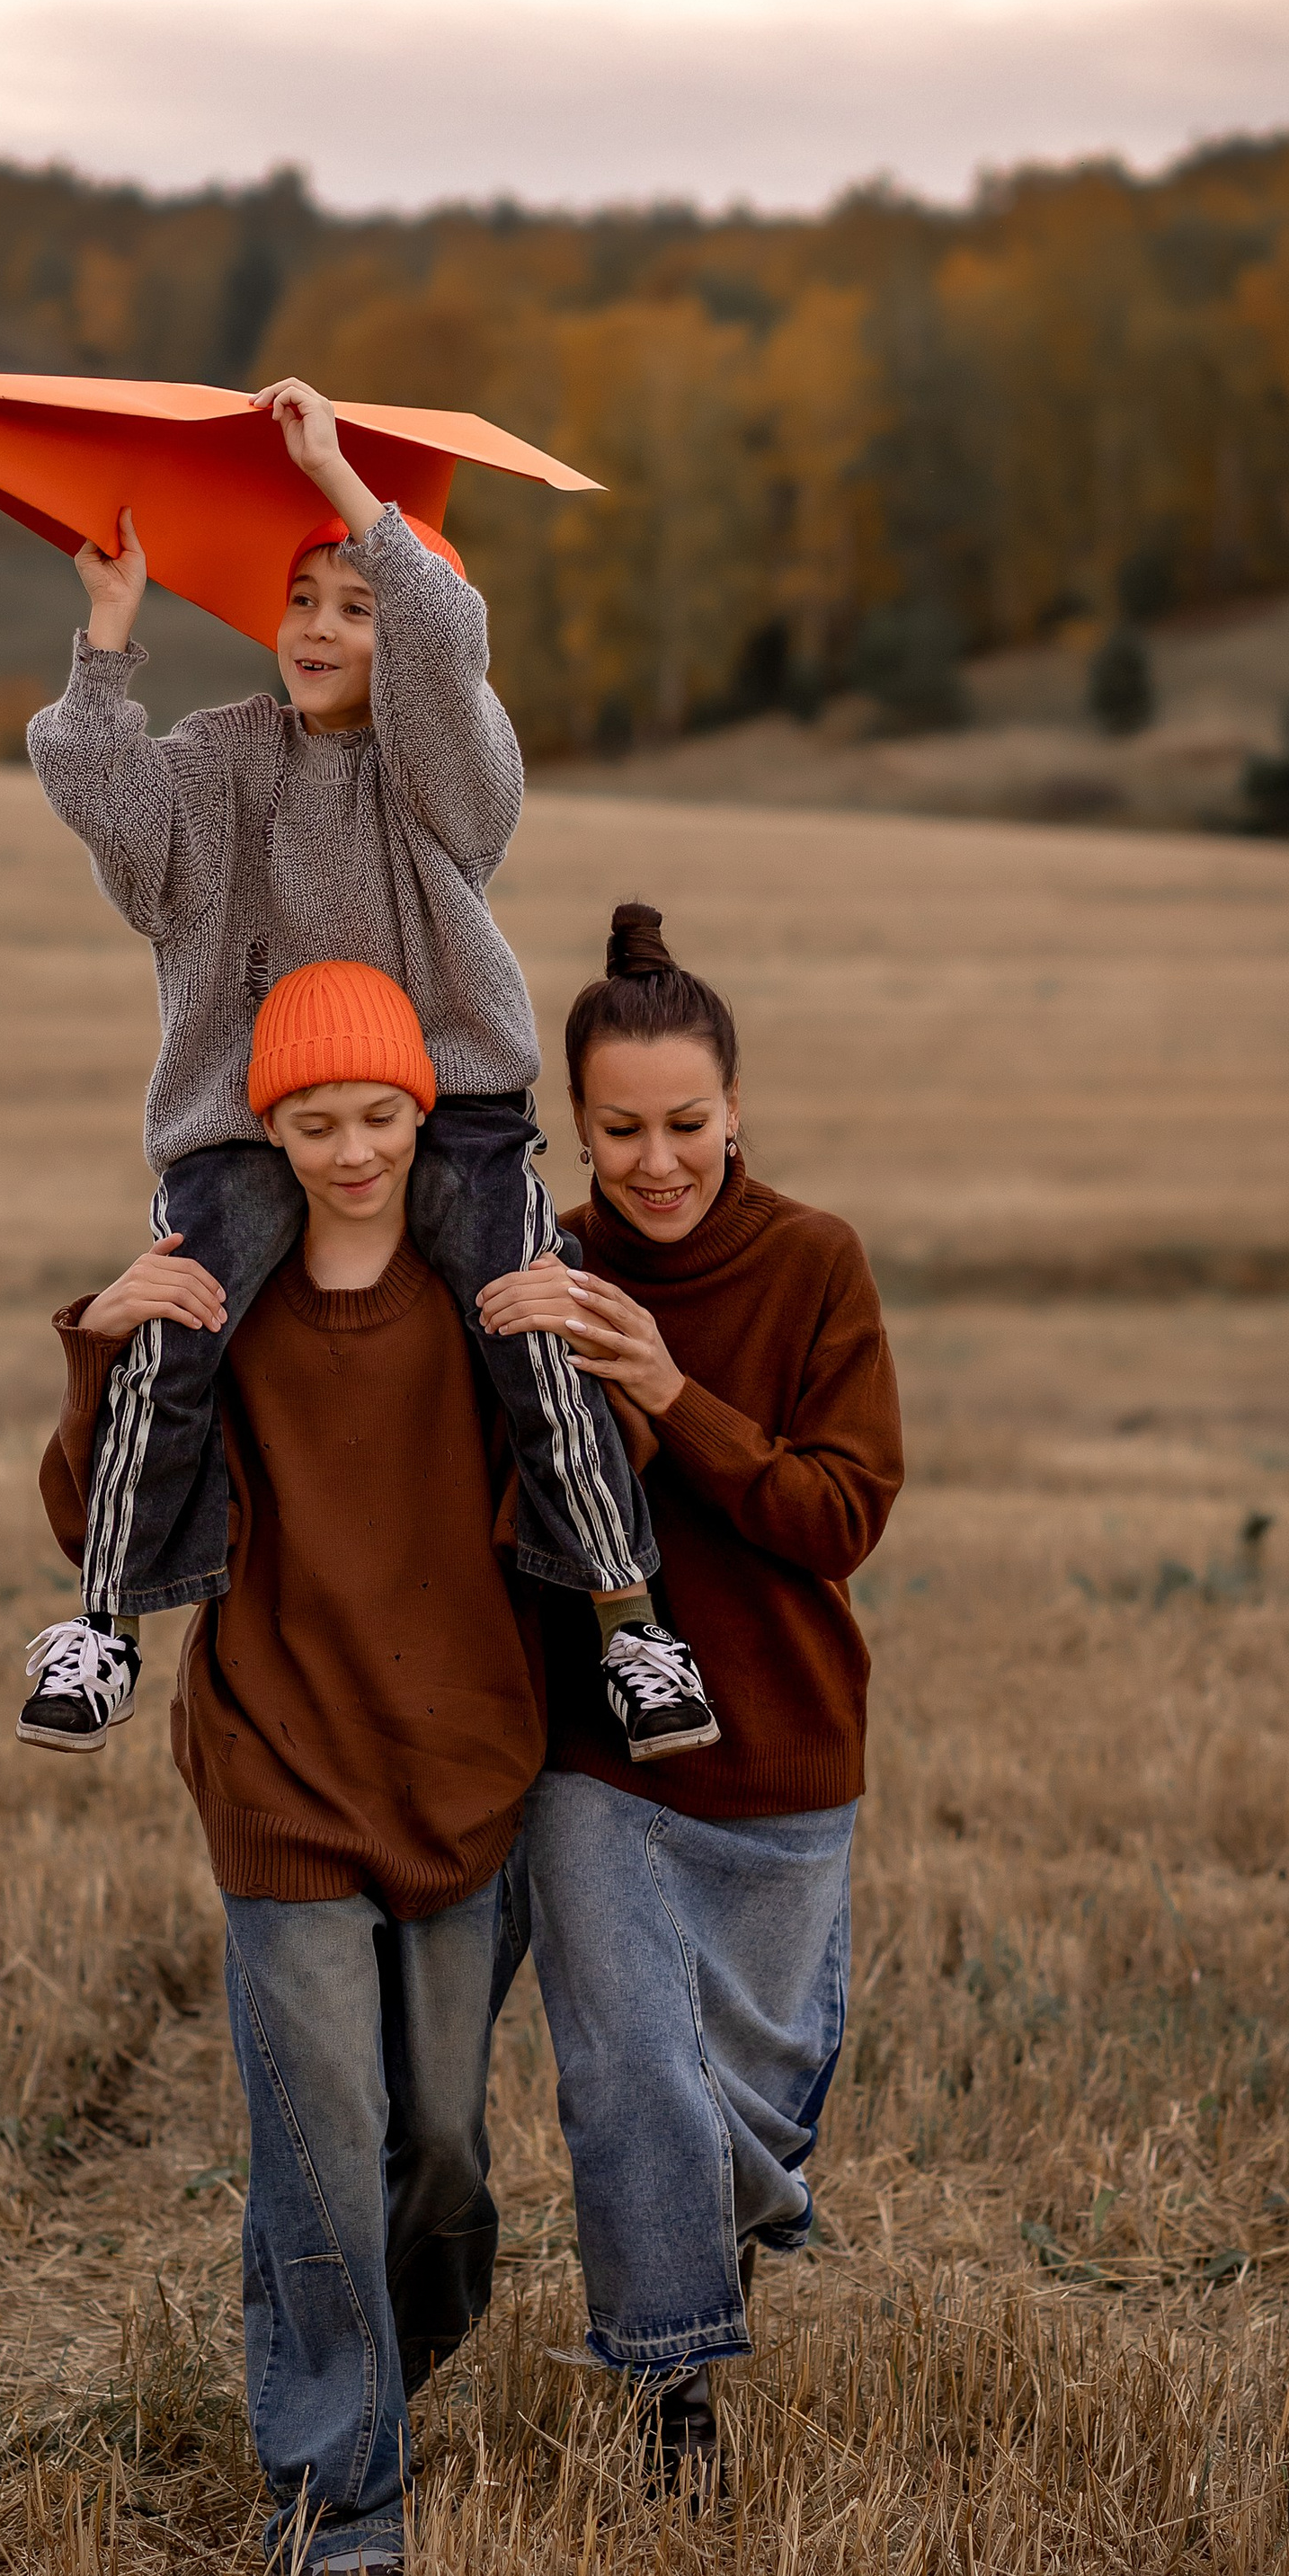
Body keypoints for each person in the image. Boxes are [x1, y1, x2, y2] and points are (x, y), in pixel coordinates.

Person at [13, 378, 715, 1767]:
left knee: (532, 1315)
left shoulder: (444, 769)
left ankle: (632, 1627)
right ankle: (104, 1625)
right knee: (176, 1318)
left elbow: (449, 640)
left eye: (357, 601)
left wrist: (337, 477)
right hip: (241, 1115)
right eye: (303, 601)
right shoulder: (218, 759)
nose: (322, 627)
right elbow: (107, 809)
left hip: (451, 1107)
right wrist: (107, 635)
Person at [34, 960, 542, 2576]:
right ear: (267, 1127)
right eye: (312, 1120)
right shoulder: (224, 1305)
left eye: (379, 1115)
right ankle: (341, 2499)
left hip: (464, 1765)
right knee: (322, 2144)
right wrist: (99, 1337)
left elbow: (583, 1477)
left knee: (444, 2153)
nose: (349, 1150)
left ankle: (372, 2353)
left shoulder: (484, 1302)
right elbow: (94, 1505)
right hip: (276, 1771)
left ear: (423, 1117)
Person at [476, 902, 904, 2492]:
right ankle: (677, 2399)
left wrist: (667, 1386)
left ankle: (711, 2242)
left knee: (744, 2117)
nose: (656, 1160)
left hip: (783, 1754)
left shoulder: (814, 1265)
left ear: (738, 1110)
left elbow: (838, 1513)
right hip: (600, 1754)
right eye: (620, 1129)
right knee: (631, 2070)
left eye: (687, 1124)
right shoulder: (548, 1270)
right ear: (576, 1130)